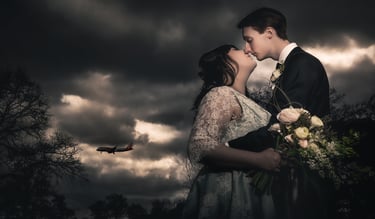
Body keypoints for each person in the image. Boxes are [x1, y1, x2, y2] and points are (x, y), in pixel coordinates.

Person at [229, 7, 334, 219]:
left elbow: (283, 124)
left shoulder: (303, 64)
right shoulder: (292, 65)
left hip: (303, 182)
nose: (246, 48)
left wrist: (230, 145)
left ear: (269, 32)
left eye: (249, 39)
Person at [181, 44, 281, 219]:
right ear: (225, 61)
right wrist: (259, 160)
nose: (246, 49)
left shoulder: (250, 103)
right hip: (231, 190)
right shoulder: (221, 94)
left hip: (255, 192)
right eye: (235, 48)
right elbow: (199, 145)